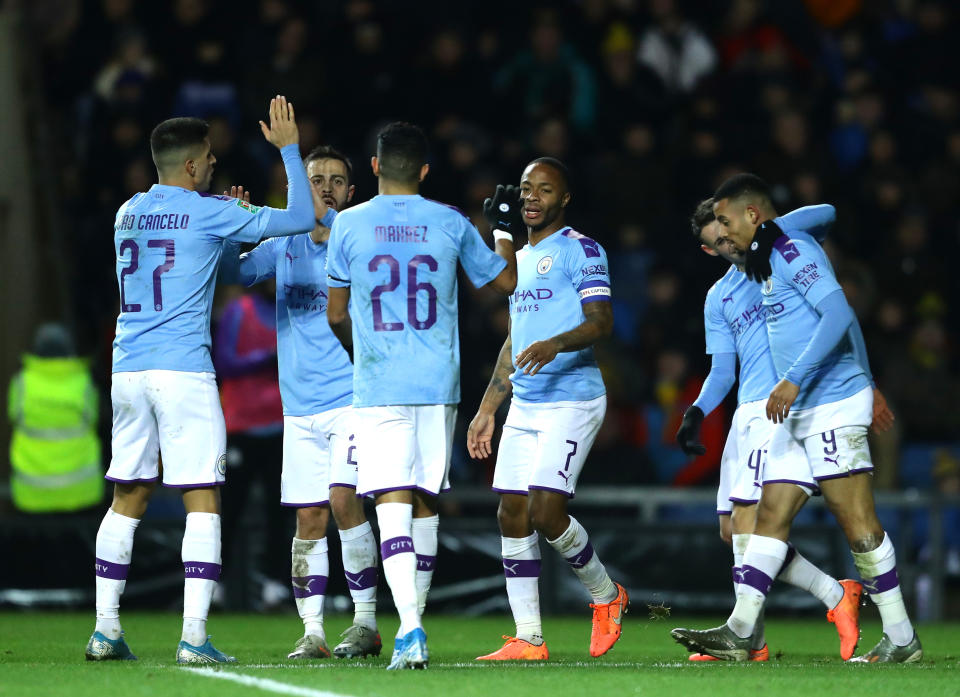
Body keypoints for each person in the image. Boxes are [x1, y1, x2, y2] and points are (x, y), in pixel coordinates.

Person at [86, 96, 315, 665]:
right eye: (208, 157)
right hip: (183, 371)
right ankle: (193, 637)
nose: (213, 164)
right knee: (203, 496)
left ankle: (105, 630)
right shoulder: (208, 210)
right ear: (191, 165)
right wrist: (288, 149)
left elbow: (222, 266)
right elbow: (300, 219)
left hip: (128, 369)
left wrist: (231, 228)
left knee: (127, 495)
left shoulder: (126, 213)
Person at [671, 173, 921, 663]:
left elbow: (838, 313)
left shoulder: (790, 249)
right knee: (768, 516)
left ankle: (901, 635)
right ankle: (743, 629)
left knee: (858, 524)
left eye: (726, 221)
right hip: (796, 412)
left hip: (828, 402)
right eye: (714, 230)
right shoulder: (752, 273)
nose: (722, 235)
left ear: (752, 216)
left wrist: (795, 378)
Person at [325, 122, 517, 670]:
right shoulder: (451, 221)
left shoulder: (349, 224)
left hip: (381, 381)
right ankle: (417, 621)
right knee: (425, 498)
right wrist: (502, 231)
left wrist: (365, 354)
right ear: (426, 171)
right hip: (439, 385)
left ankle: (409, 628)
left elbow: (337, 313)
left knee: (390, 500)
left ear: (376, 165)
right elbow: (506, 282)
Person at [220, 145, 383, 661]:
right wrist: (230, 227)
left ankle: (364, 622)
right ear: (299, 186)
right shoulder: (285, 245)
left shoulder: (359, 243)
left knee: (342, 502)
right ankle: (312, 632)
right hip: (298, 408)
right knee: (308, 518)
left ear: (351, 193)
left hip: (352, 398)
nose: (327, 188)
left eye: (337, 180)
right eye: (316, 179)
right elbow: (233, 273)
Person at [467, 157, 628, 662]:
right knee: (511, 512)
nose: (532, 197)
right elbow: (515, 342)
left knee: (545, 511)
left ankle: (606, 595)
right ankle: (529, 638)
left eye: (544, 190)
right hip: (528, 402)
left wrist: (556, 342)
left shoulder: (581, 250)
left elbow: (601, 322)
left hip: (574, 398)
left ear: (564, 199)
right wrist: (488, 407)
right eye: (525, 190)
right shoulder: (518, 260)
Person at [8, 323, 103, 514]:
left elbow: (13, 417)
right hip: (82, 491)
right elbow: (95, 418)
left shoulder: (22, 382)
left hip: (31, 492)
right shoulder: (83, 382)